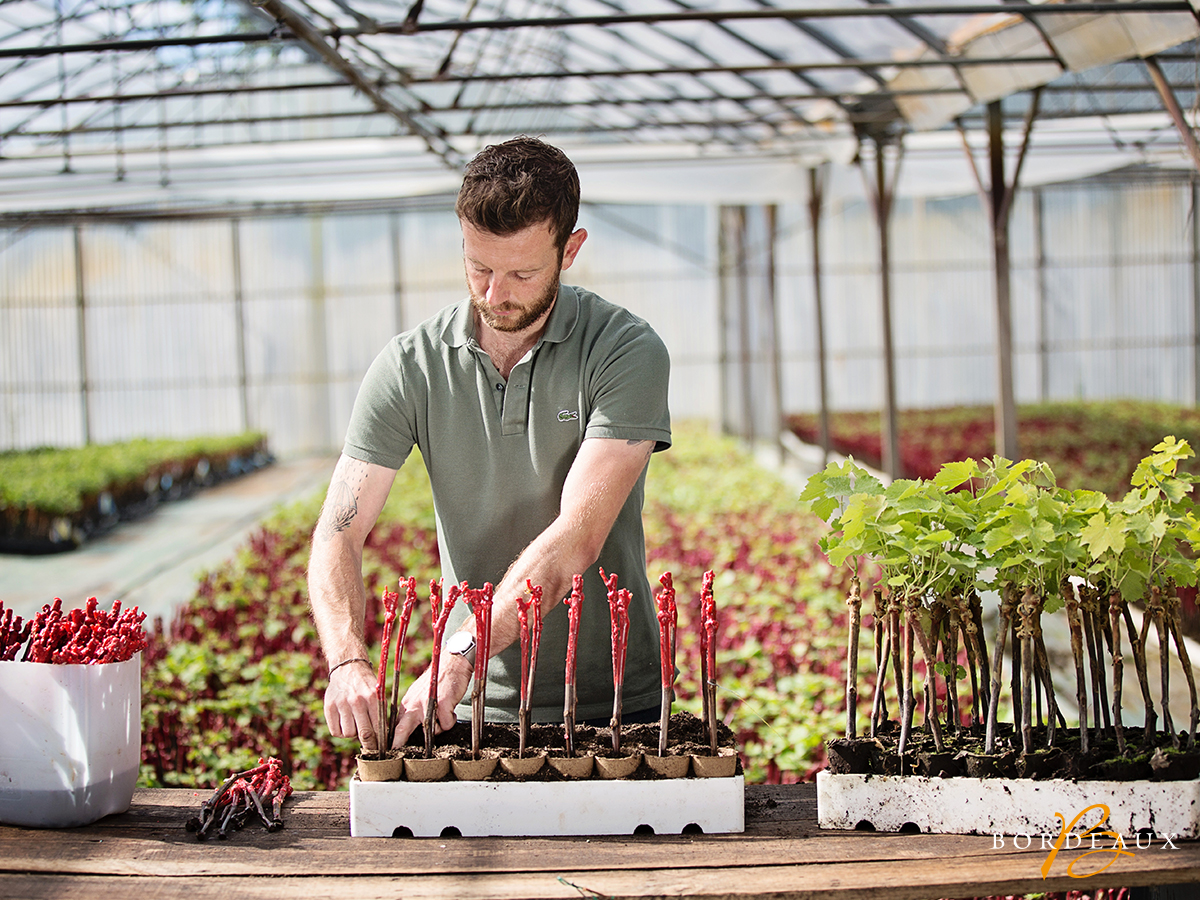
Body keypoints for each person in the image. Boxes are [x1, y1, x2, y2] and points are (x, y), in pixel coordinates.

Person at [308, 136, 672, 754]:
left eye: (522, 273)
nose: (495, 293)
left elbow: (577, 536)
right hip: (471, 710)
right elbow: (339, 531)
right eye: (479, 267)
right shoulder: (411, 367)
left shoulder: (624, 350)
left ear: (570, 250)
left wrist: (458, 656)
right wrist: (346, 659)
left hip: (616, 703)